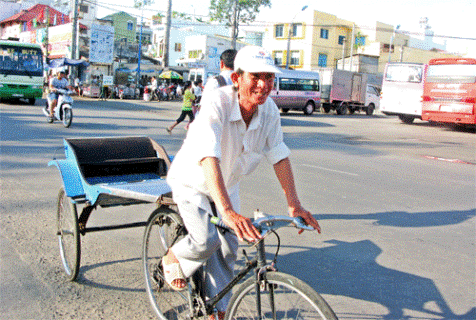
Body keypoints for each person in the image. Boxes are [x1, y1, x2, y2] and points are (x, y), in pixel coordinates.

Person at [164, 46, 321, 320]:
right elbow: (208, 156)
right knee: (205, 239)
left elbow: (279, 156)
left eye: (269, 77)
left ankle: (216, 308)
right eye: (255, 76)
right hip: (193, 182)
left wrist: (294, 205)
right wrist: (226, 211)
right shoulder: (217, 103)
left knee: (229, 249)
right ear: (237, 79)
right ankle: (173, 257)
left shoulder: (269, 111)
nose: (264, 85)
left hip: (228, 186)